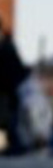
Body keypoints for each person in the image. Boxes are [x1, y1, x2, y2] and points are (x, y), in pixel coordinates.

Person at [0, 19, 32, 154]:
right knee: (8, 120)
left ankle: (16, 145)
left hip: (8, 91)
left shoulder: (6, 47)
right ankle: (15, 145)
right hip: (9, 91)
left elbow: (15, 69)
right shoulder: (7, 45)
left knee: (9, 119)